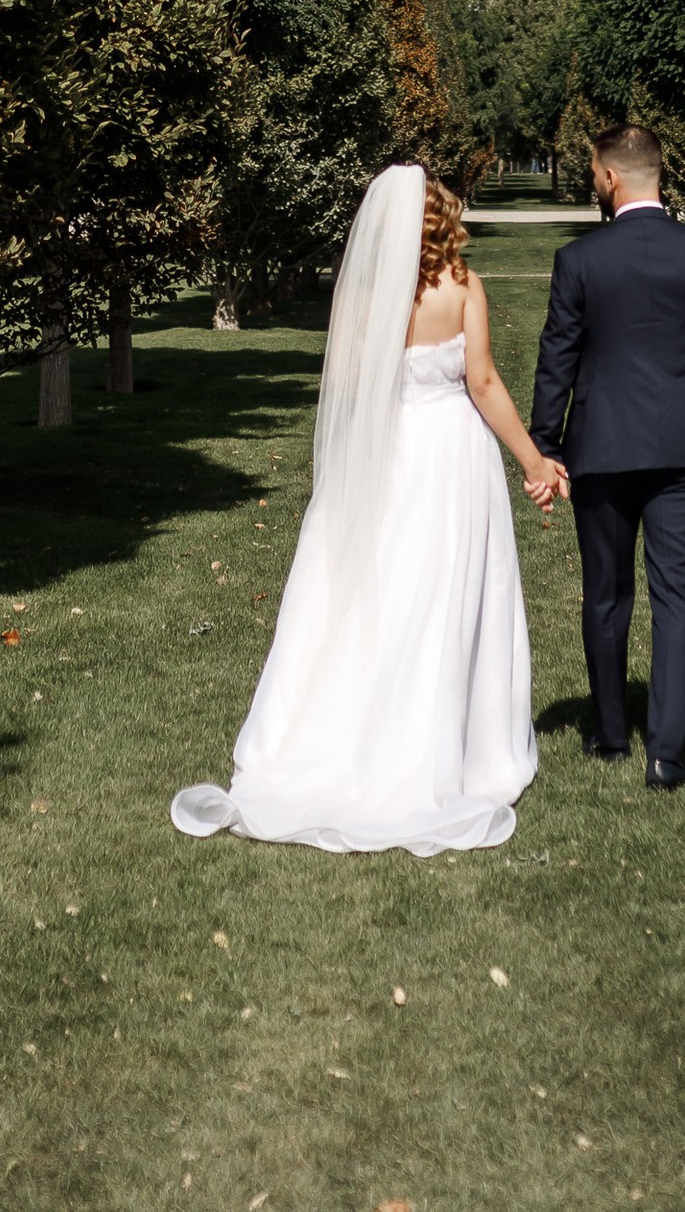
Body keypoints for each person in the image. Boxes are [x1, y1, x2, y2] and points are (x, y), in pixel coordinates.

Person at [170, 164, 566, 855]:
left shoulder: (360, 297)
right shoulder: (463, 286)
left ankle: (338, 731)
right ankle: (455, 747)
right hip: (450, 461)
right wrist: (534, 463)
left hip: (384, 456)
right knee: (444, 594)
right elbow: (482, 381)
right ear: (441, 218)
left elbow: (350, 383)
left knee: (369, 595)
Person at [529, 122, 685, 791]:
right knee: (679, 594)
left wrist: (545, 444)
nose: (593, 178)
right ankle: (667, 754)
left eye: (593, 170)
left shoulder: (581, 261)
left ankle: (612, 734)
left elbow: (556, 357)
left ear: (611, 176)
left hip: (603, 443)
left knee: (606, 591)